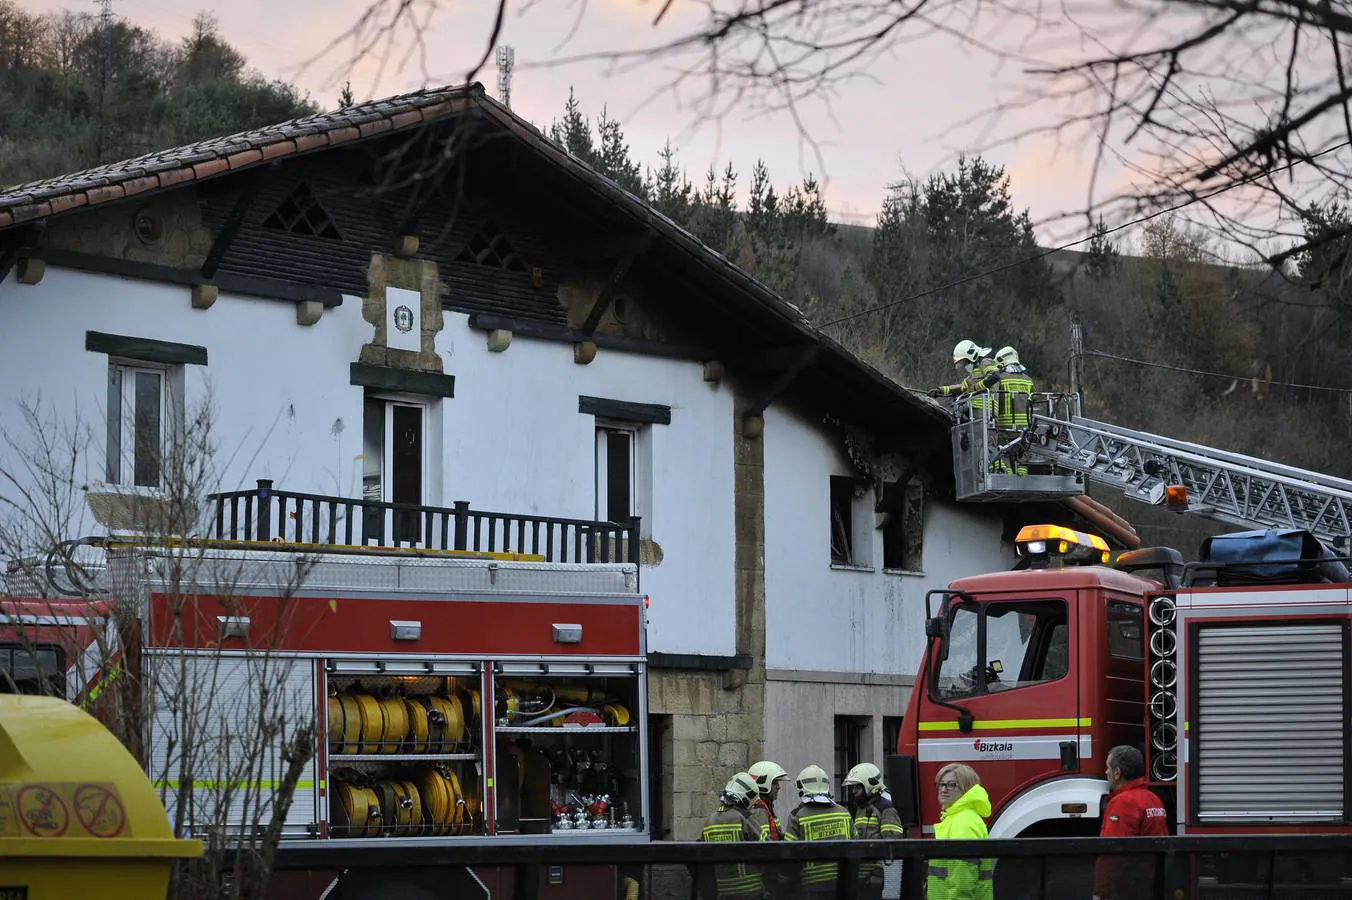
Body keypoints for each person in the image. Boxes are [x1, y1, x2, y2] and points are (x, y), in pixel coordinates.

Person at [1092, 746, 1168, 900]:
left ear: (1117, 772)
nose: (1106, 772)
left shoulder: (1123, 803)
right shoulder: (1153, 799)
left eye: (1108, 768)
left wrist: (1100, 892)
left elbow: (1112, 854)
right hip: (1151, 886)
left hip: (1127, 889)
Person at [782, 764, 853, 894]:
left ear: (802, 788)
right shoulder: (844, 812)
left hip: (811, 885)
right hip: (842, 882)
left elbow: (789, 852)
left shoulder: (797, 815)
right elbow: (856, 845)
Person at [927, 763, 993, 900]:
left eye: (952, 785)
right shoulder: (958, 818)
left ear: (966, 789)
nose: (943, 789)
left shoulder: (964, 822)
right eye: (941, 784)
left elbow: (963, 880)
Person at [699, 772, 766, 900]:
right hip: (750, 890)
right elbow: (767, 847)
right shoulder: (744, 817)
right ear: (745, 796)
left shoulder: (710, 820)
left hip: (722, 891)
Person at [843, 762, 905, 899]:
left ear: (869, 785)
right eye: (852, 788)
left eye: (857, 787)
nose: (853, 792)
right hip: (860, 871)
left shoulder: (886, 809)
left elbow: (892, 842)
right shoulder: (861, 808)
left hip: (878, 873)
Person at [983, 346, 1035, 475]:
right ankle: (1023, 475)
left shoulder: (1000, 378)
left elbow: (993, 402)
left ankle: (1008, 479)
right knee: (1022, 462)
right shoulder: (1029, 380)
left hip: (1005, 430)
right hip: (1025, 431)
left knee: (1004, 459)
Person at [930, 340, 998, 420]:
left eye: (964, 361)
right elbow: (962, 387)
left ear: (972, 356)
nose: (964, 365)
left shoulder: (985, 362)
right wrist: (940, 390)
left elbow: (994, 376)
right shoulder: (974, 373)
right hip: (975, 408)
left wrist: (976, 388)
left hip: (985, 409)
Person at [747, 760, 790, 841]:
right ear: (762, 783)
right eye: (774, 783)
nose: (778, 787)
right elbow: (766, 844)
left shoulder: (766, 806)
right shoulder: (759, 810)